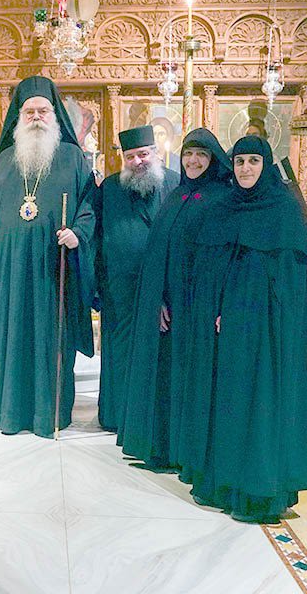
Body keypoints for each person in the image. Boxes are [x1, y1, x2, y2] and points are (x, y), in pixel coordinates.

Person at [182, 135, 307, 523]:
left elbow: (289, 280)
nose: (245, 169)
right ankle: (223, 484)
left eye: (253, 161)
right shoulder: (224, 208)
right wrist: (217, 307)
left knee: (260, 404)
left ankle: (259, 491)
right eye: (239, 162)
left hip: (265, 332)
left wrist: (248, 309)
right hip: (226, 330)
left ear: (266, 165)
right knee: (228, 403)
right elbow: (210, 269)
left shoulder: (284, 210)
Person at [0, 75, 97, 437]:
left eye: (43, 111)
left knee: (50, 339)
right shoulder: (3, 161)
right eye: (30, 112)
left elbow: (90, 208)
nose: (37, 117)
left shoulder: (73, 158)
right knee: (11, 337)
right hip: (8, 272)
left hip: (54, 271)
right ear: (18, 117)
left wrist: (77, 234)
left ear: (54, 116)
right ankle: (8, 412)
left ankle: (47, 415)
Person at [116, 128, 231, 469]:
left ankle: (189, 454)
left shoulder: (222, 199)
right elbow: (157, 257)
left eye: (201, 155)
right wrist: (157, 300)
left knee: (193, 379)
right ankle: (165, 449)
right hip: (170, 309)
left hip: (201, 307)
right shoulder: (177, 196)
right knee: (166, 377)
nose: (193, 161)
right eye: (188, 154)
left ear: (213, 159)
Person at [95, 125, 180, 432]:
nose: (137, 162)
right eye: (130, 157)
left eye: (143, 154)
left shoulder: (175, 184)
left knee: (156, 356)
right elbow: (97, 236)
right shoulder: (110, 188)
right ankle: (117, 418)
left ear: (155, 153)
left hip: (162, 289)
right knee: (119, 354)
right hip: (120, 290)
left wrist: (166, 293)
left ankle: (149, 423)